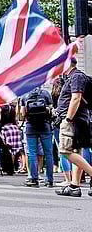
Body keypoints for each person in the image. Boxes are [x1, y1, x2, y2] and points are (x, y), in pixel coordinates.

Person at [55, 57, 92, 197]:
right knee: (76, 150)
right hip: (77, 119)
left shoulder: (76, 77)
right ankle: (74, 186)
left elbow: (76, 98)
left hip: (73, 119)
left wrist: (68, 119)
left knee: (65, 151)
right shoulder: (73, 77)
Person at [20, 86, 54, 187]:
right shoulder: (45, 93)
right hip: (45, 125)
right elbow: (51, 110)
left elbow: (22, 113)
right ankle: (49, 179)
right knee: (48, 153)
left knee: (32, 153)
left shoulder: (24, 94)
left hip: (31, 126)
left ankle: (34, 178)